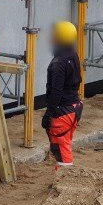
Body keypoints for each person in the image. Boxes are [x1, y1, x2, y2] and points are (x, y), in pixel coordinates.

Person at [42, 21, 83, 168]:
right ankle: (63, 178)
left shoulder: (58, 63)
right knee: (65, 145)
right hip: (74, 108)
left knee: (60, 149)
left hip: (63, 111)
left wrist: (49, 114)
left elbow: (56, 91)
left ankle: (65, 182)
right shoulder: (73, 55)